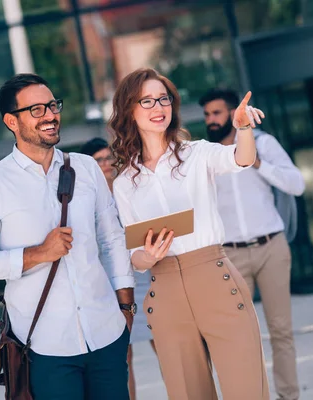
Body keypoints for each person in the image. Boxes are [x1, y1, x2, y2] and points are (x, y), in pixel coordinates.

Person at [0, 73, 136, 400]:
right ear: (12, 121)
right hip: (44, 347)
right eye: (37, 110)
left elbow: (112, 240)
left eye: (52, 105)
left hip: (106, 335)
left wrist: (126, 308)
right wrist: (39, 253)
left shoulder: (85, 169)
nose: (51, 115)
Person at [110, 67, 270, 400]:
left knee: (246, 390)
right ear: (129, 110)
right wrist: (147, 256)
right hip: (164, 291)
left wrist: (242, 127)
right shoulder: (125, 182)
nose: (158, 108)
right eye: (147, 101)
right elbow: (133, 256)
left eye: (164, 99)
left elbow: (241, 158)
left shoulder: (198, 154)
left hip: (214, 278)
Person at [199, 88, 305, 400]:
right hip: (229, 255)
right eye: (207, 115)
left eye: (217, 113)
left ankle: (289, 395)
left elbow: (296, 184)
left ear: (235, 114)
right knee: (240, 336)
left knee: (281, 330)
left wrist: (258, 163)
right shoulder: (205, 155)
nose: (211, 120)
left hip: (271, 247)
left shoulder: (263, 143)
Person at [80, 137, 157, 400]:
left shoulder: (130, 188)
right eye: (98, 160)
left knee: (166, 345)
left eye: (107, 157)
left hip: (147, 278)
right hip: (114, 285)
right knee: (123, 356)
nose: (105, 164)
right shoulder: (86, 200)